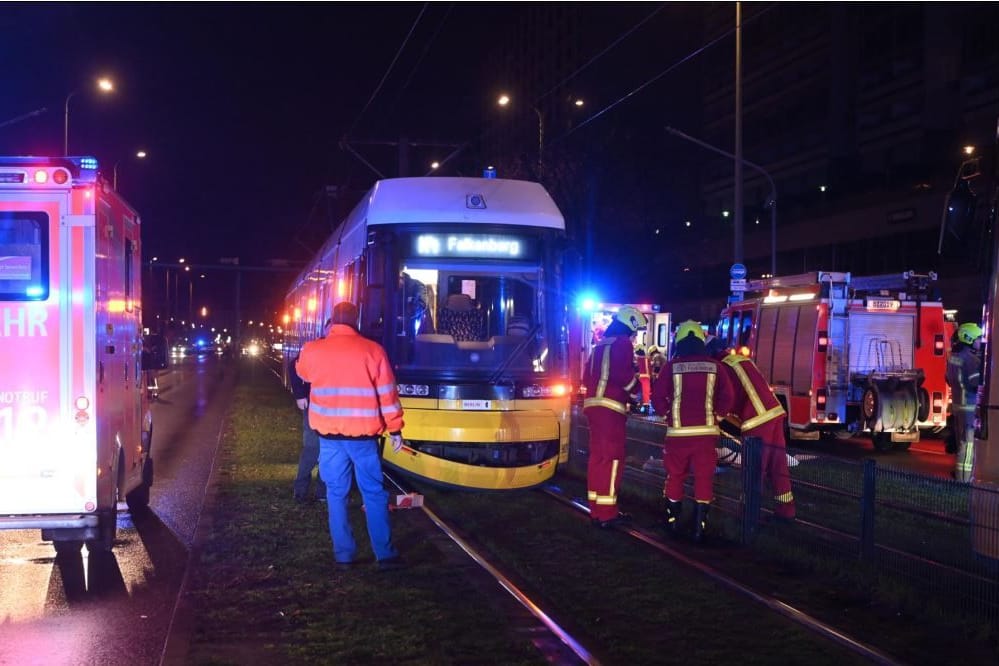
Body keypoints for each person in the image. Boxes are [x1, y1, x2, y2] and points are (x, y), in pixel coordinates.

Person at [296, 302, 406, 570]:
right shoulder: (373, 350)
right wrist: (395, 428)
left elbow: (302, 372)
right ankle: (385, 555)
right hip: (363, 438)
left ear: (332, 320)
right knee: (374, 493)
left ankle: (344, 556)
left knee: (336, 493)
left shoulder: (314, 349)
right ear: (357, 319)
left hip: (329, 436)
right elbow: (388, 395)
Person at [651, 320, 734, 543]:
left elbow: (657, 396)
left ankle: (673, 524)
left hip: (678, 435)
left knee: (675, 476)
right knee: (704, 479)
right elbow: (729, 396)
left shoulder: (671, 366)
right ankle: (699, 529)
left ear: (679, 341)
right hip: (706, 435)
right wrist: (717, 416)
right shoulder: (715, 366)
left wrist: (667, 415)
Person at [706, 336, 795, 521]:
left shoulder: (721, 368)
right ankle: (786, 512)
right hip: (775, 412)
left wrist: (714, 422)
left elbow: (726, 399)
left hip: (756, 419)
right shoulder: (739, 359)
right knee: (777, 465)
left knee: (754, 468)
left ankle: (748, 515)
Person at [582, 305, 648, 528]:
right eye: (635, 331)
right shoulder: (622, 343)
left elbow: (586, 376)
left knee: (598, 458)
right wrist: (637, 392)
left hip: (593, 407)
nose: (634, 336)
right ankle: (608, 514)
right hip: (610, 409)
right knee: (612, 459)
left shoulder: (600, 344)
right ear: (629, 325)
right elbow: (623, 375)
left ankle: (596, 510)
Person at [288, 318, 332, 504]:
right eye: (331, 329)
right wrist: (300, 394)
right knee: (312, 449)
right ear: (326, 329)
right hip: (314, 407)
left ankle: (322, 492)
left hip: (334, 409)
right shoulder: (315, 347)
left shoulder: (342, 349)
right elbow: (293, 366)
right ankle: (301, 491)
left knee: (329, 451)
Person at [946, 322, 983, 483]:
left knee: (961, 444)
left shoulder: (954, 358)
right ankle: (964, 480)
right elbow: (976, 383)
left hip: (957, 407)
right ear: (968, 338)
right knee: (967, 446)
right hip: (968, 408)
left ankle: (960, 477)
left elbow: (947, 379)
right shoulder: (972, 360)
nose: (980, 341)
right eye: (978, 338)